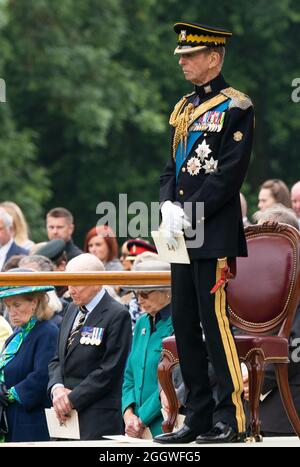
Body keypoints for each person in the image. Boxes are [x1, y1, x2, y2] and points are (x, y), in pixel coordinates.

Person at [155, 21, 254, 444]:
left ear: (214, 58)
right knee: (183, 320)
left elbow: (229, 175)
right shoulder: (181, 108)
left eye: (189, 55)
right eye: (179, 56)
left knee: (214, 326)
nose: (181, 62)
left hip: (210, 232)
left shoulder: (238, 106)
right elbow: (170, 168)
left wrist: (189, 211)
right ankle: (196, 417)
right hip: (180, 234)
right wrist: (166, 205)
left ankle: (233, 418)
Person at [48, 253, 132, 440]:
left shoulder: (117, 314)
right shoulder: (71, 309)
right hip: (65, 417)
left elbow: (110, 370)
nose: (71, 290)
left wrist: (72, 398)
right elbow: (57, 359)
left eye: (77, 283)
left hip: (97, 418)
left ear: (97, 282)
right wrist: (57, 389)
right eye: (68, 282)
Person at [0, 272, 58, 442]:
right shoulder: (17, 333)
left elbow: (42, 376)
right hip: (11, 418)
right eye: (8, 306)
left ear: (34, 302)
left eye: (17, 305)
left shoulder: (47, 331)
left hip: (31, 422)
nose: (11, 312)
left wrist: (9, 394)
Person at [122, 252, 173, 438]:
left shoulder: (180, 323)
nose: (139, 299)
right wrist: (128, 414)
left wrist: (141, 418)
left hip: (166, 424)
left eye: (144, 293)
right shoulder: (143, 321)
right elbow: (129, 375)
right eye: (135, 293)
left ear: (166, 290)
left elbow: (173, 380)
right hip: (135, 428)